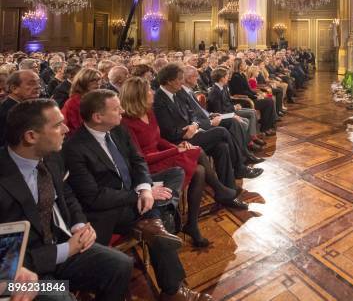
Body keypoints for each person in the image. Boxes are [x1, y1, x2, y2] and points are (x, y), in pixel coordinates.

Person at [63, 90, 210, 301]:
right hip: (110, 208)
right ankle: (173, 290)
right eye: (116, 109)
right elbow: (95, 197)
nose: (122, 110)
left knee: (175, 173)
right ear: (98, 117)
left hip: (135, 192)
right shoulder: (75, 148)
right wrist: (138, 195)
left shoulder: (118, 129)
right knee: (158, 222)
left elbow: (138, 160)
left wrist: (145, 188)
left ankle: (155, 218)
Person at [0, 99, 133, 301]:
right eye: (57, 125)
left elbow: (65, 192)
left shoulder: (52, 155)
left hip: (60, 244)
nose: (66, 129)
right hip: (18, 267)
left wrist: (78, 224)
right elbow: (6, 258)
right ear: (31, 136)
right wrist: (66, 249)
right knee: (60, 295)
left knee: (120, 264)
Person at [120, 77, 220, 247]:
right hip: (146, 166)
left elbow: (158, 140)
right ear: (138, 96)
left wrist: (177, 146)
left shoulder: (149, 112)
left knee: (199, 168)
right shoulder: (126, 123)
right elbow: (140, 158)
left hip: (161, 154)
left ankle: (192, 223)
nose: (152, 92)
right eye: (148, 90)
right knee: (198, 153)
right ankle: (217, 192)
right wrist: (175, 150)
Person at [154, 64, 262, 193]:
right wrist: (187, 131)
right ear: (169, 81)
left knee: (222, 147)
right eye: (179, 78)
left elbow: (191, 114)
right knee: (221, 131)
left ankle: (228, 189)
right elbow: (168, 132)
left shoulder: (174, 93)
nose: (182, 81)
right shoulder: (159, 99)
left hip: (193, 132)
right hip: (180, 142)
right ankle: (239, 167)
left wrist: (195, 125)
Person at [229, 59, 277, 135]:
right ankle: (265, 128)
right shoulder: (235, 76)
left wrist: (257, 95)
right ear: (239, 65)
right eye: (244, 63)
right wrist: (255, 96)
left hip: (249, 97)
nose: (246, 65)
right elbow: (241, 92)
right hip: (243, 100)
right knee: (269, 102)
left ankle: (267, 126)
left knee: (269, 100)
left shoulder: (242, 75)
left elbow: (249, 89)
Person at [0, 70, 42, 146]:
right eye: (31, 83)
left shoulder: (22, 107)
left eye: (38, 82)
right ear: (14, 88)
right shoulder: (8, 113)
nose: (38, 86)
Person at [61, 68, 102, 136]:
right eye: (93, 80)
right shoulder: (73, 103)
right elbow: (77, 129)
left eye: (99, 80)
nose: (98, 84)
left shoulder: (97, 98)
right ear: (83, 82)